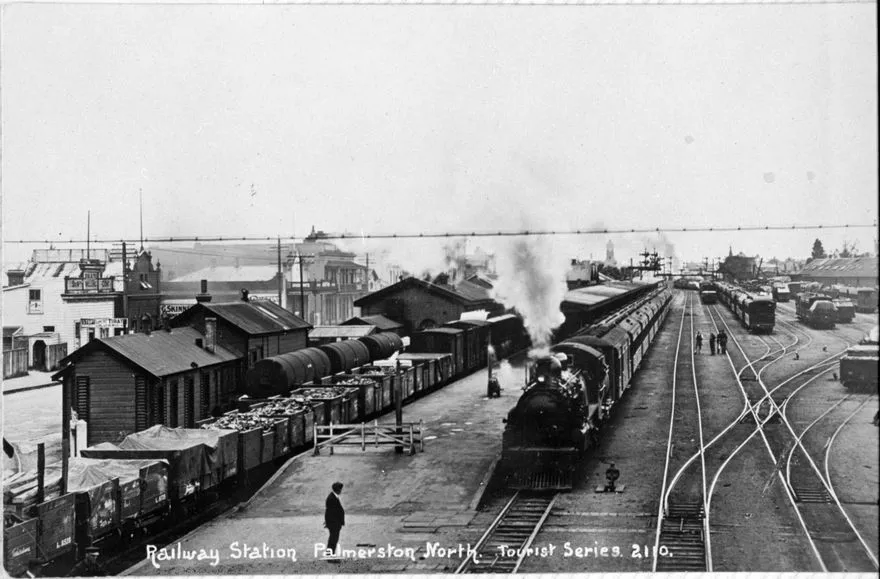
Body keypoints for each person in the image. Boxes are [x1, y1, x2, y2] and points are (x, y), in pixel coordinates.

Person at [324, 482, 345, 560]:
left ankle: (330, 555)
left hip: (334, 523)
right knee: (333, 540)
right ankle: (330, 556)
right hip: (334, 524)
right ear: (338, 490)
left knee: (333, 540)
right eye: (340, 489)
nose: (341, 491)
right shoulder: (332, 498)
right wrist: (330, 522)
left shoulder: (333, 497)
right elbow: (330, 512)